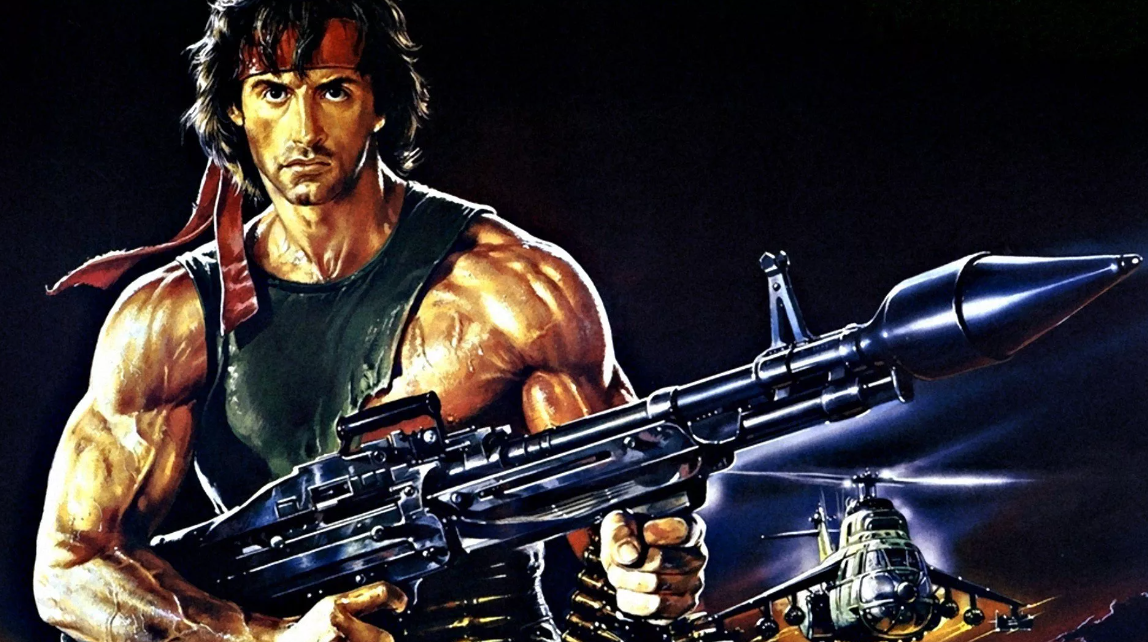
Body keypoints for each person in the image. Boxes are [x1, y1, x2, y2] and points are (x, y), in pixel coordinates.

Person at [33, 2, 707, 642]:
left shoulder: (516, 292)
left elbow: (623, 516)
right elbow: (69, 570)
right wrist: (266, 637)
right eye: (273, 92)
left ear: (379, 102)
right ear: (235, 110)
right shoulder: (170, 319)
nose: (303, 131)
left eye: (333, 90)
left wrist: (648, 566)